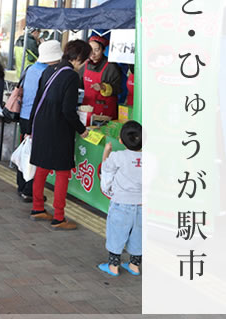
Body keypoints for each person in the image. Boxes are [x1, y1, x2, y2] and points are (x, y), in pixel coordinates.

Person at [28, 39, 92, 230]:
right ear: (79, 58)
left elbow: (37, 100)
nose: (85, 64)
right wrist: (83, 130)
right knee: (63, 172)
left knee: (41, 168)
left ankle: (38, 207)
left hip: (41, 126)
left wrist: (30, 128)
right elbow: (68, 111)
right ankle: (58, 217)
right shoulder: (71, 76)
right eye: (85, 60)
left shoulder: (49, 70)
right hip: (58, 129)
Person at [16, 40, 60, 202]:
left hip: (24, 115)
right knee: (34, 155)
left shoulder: (30, 68)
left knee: (24, 151)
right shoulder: (49, 72)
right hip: (37, 118)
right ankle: (29, 190)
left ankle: (21, 185)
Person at [97, 120, 142, 277]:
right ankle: (134, 265)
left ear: (121, 140)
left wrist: (106, 151)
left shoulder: (117, 156)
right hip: (142, 205)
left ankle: (113, 266)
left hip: (121, 204)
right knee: (138, 235)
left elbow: (106, 173)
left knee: (116, 233)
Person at [80, 34, 123, 120]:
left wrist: (103, 87)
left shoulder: (111, 67)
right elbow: (79, 84)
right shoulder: (84, 64)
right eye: (90, 50)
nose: (93, 53)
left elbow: (119, 88)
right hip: (87, 109)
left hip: (105, 111)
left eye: (96, 50)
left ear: (103, 50)